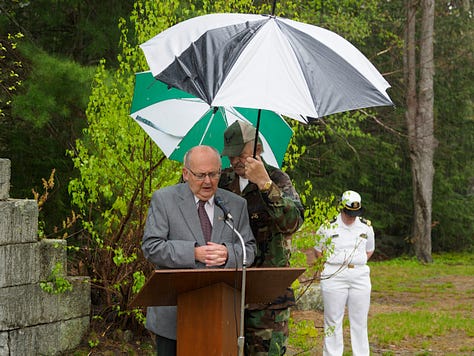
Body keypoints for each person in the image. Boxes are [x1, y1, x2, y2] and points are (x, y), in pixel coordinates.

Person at [142, 145, 256, 355]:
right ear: (186, 174)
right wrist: (193, 253)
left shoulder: (235, 205)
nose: (208, 182)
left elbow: (249, 249)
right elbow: (151, 247)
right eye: (201, 175)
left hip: (221, 315)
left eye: (213, 174)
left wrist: (229, 254)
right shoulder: (164, 200)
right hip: (173, 317)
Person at [219, 121, 305, 355]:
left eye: (240, 153)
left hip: (268, 297)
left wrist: (265, 185)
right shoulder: (222, 181)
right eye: (230, 155)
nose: (235, 160)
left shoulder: (278, 179)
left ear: (257, 149)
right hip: (229, 290)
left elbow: (293, 223)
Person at [314, 190, 375, 356]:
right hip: (334, 274)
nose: (351, 217)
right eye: (349, 213)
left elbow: (369, 250)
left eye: (355, 213)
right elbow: (318, 250)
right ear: (341, 208)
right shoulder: (328, 226)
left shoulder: (366, 227)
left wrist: (355, 262)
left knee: (360, 320)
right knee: (333, 320)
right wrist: (328, 267)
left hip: (359, 275)